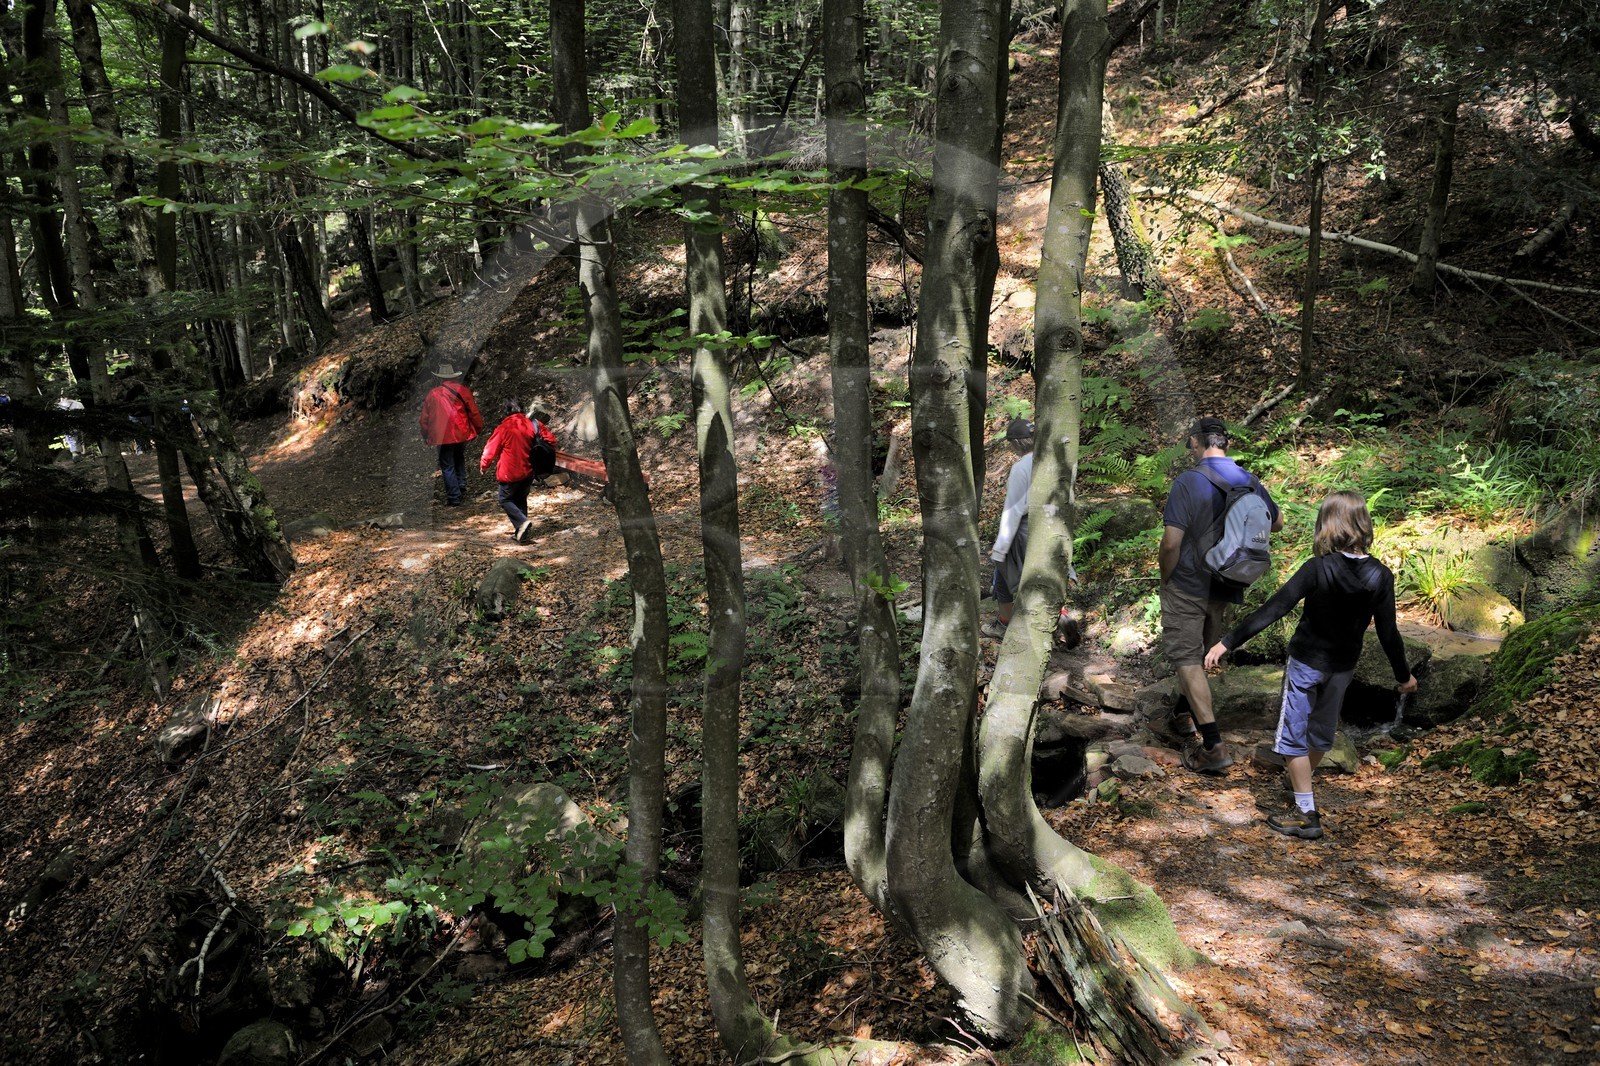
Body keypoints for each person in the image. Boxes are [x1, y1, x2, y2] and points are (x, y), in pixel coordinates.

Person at [1204, 491, 1417, 839]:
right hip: (1342, 668)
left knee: (1291, 739)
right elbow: (1389, 633)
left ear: (1327, 526)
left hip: (1306, 664)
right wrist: (1403, 676)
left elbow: (1274, 609)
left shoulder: (1317, 569)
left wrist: (1226, 642)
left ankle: (1306, 813)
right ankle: (1301, 790)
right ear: (1363, 524)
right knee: (1320, 734)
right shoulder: (1381, 576)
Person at [1158, 416, 1283, 773]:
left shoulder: (1188, 481)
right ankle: (1183, 715)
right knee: (1199, 654)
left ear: (1197, 443)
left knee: (1185, 656)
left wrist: (1166, 578)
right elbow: (1277, 522)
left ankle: (1213, 746)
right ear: (1225, 444)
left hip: (1188, 583)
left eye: (1190, 445)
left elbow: (1171, 543)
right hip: (1228, 582)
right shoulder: (1249, 480)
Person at [983, 417, 1035, 640]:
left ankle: (1004, 624)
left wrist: (1000, 548)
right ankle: (1063, 618)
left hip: (1023, 529)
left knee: (1003, 578)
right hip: (1047, 525)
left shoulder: (1021, 467)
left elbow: (1013, 509)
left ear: (1016, 444)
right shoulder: (1053, 461)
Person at [418, 362, 483, 506]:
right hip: (461, 432)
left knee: (447, 465)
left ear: (440, 378)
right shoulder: (463, 390)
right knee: (459, 457)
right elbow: (473, 412)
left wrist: (426, 435)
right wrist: (478, 428)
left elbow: (424, 419)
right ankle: (461, 485)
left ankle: (454, 497)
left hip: (441, 436)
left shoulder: (433, 394)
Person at [480, 400, 543, 542]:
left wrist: (484, 466)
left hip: (510, 472)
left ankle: (522, 523)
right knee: (521, 499)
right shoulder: (532, 424)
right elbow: (550, 440)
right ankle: (521, 535)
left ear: (507, 412)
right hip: (528, 470)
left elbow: (490, 449)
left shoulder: (504, 428)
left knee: (505, 499)